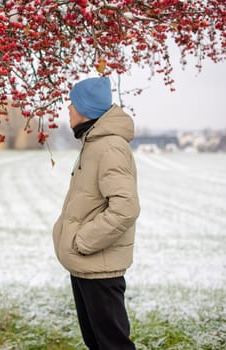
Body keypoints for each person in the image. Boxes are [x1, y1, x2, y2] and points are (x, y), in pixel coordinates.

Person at [52, 76, 140, 349]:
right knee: (97, 342)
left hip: (99, 266)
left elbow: (126, 207)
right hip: (87, 266)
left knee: (112, 344)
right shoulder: (94, 143)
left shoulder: (109, 147)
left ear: (86, 109)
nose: (68, 109)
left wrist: (83, 241)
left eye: (72, 104)